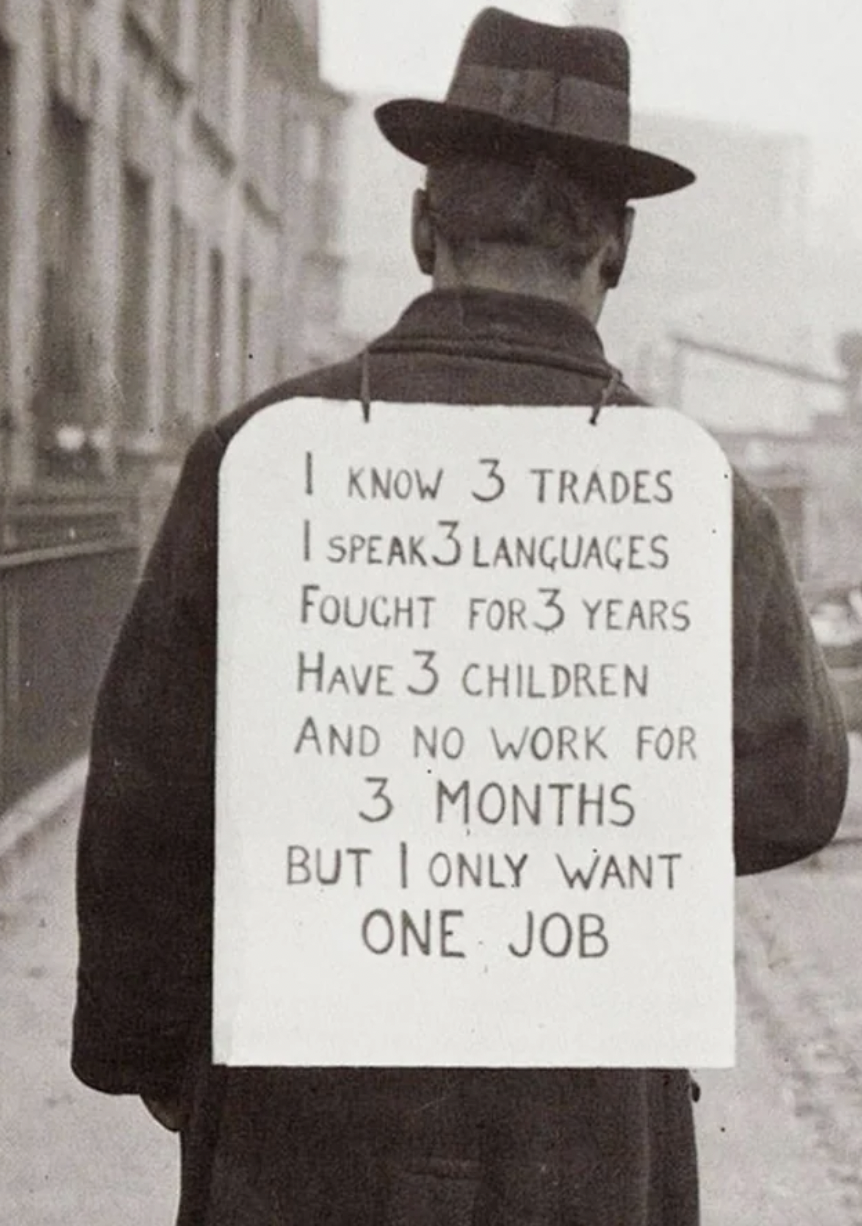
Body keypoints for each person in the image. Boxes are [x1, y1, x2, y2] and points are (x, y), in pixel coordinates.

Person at [72, 10, 848, 1225]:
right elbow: (793, 791)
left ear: (423, 225)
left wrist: (156, 1051)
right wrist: (582, 815)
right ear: (620, 249)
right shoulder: (693, 489)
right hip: (580, 1107)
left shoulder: (265, 455)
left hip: (297, 1093)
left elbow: (148, 783)